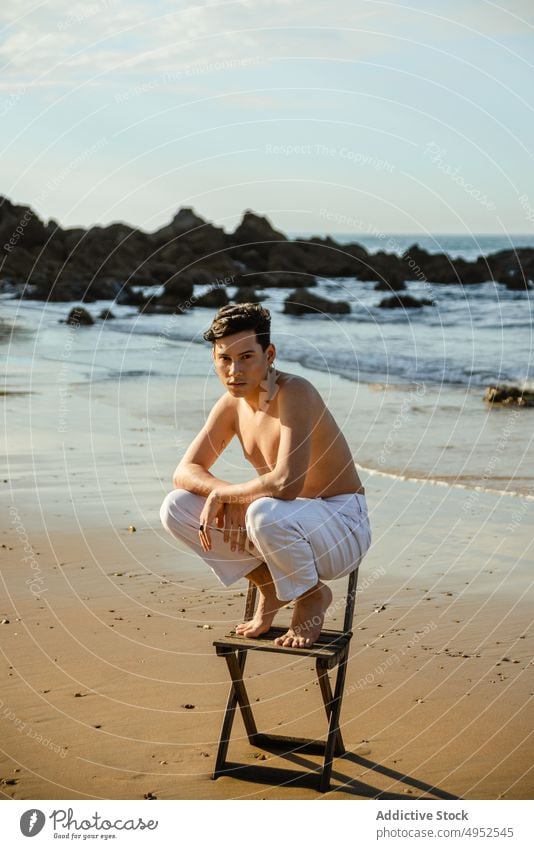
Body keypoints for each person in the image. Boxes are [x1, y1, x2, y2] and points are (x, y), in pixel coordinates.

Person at [160, 303, 371, 647]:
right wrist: (222, 494)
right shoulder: (231, 405)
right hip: (280, 525)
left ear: (268, 353)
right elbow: (185, 471)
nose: (234, 371)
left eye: (246, 357)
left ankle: (310, 596)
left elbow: (287, 484)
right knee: (176, 506)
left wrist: (228, 497)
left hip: (340, 524)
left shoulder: (295, 392)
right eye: (224, 359)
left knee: (262, 511)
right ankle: (270, 585)